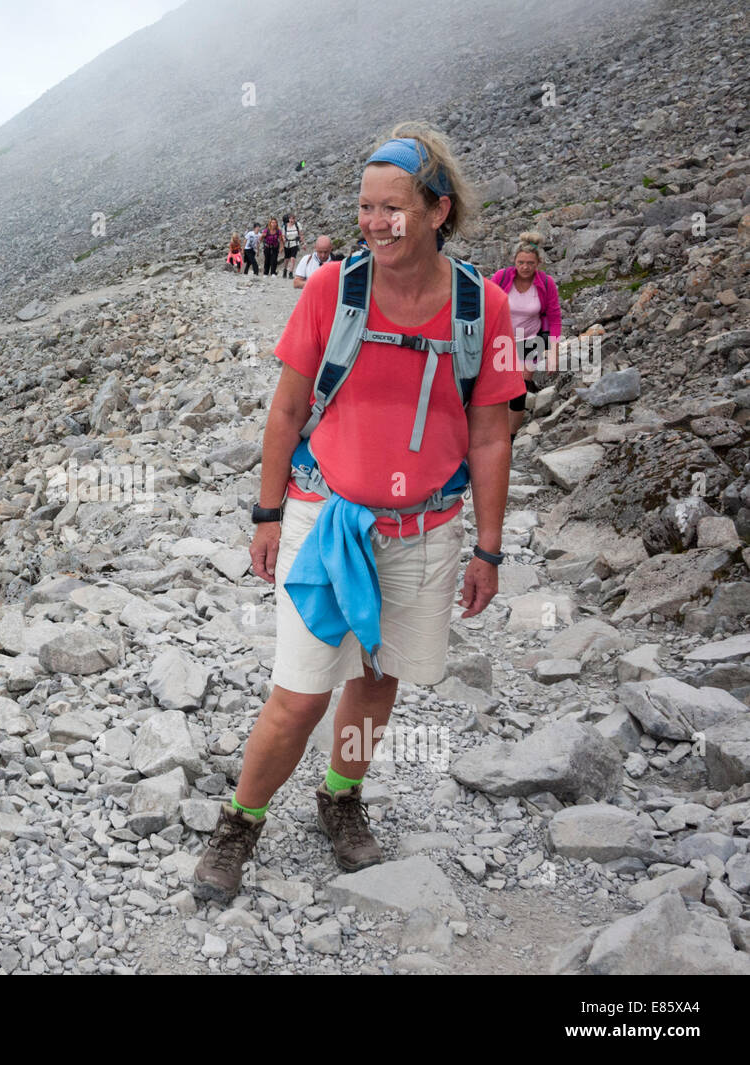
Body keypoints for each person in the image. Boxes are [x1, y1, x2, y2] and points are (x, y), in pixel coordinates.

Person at [191, 122, 525, 903]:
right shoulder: (330, 289)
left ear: (438, 210)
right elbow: (285, 411)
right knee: (301, 692)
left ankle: (340, 797)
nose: (374, 222)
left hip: (426, 530)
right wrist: (267, 513)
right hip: (325, 521)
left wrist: (490, 548)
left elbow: (491, 434)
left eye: (392, 207)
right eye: (366, 207)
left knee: (378, 677)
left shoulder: (487, 308)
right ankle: (240, 820)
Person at [491, 231, 563, 440]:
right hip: (501, 341)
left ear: (538, 262)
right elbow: (486, 306)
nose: (525, 267)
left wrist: (552, 352)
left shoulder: (546, 284)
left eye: (530, 263)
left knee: (518, 392)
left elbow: (555, 318)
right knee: (497, 390)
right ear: (514, 261)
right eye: (521, 262)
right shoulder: (501, 278)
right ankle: (492, 433)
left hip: (531, 340)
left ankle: (509, 440)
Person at [281, 213, 302, 278]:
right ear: (288, 219)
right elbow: (283, 235)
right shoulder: (285, 226)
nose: (291, 220)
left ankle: (291, 272)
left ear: (295, 219)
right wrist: (284, 239)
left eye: (293, 218)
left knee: (293, 258)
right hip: (287, 244)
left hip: (295, 243)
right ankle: (285, 270)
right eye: (290, 218)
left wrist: (303, 243)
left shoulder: (297, 225)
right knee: (286, 259)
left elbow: (301, 234)